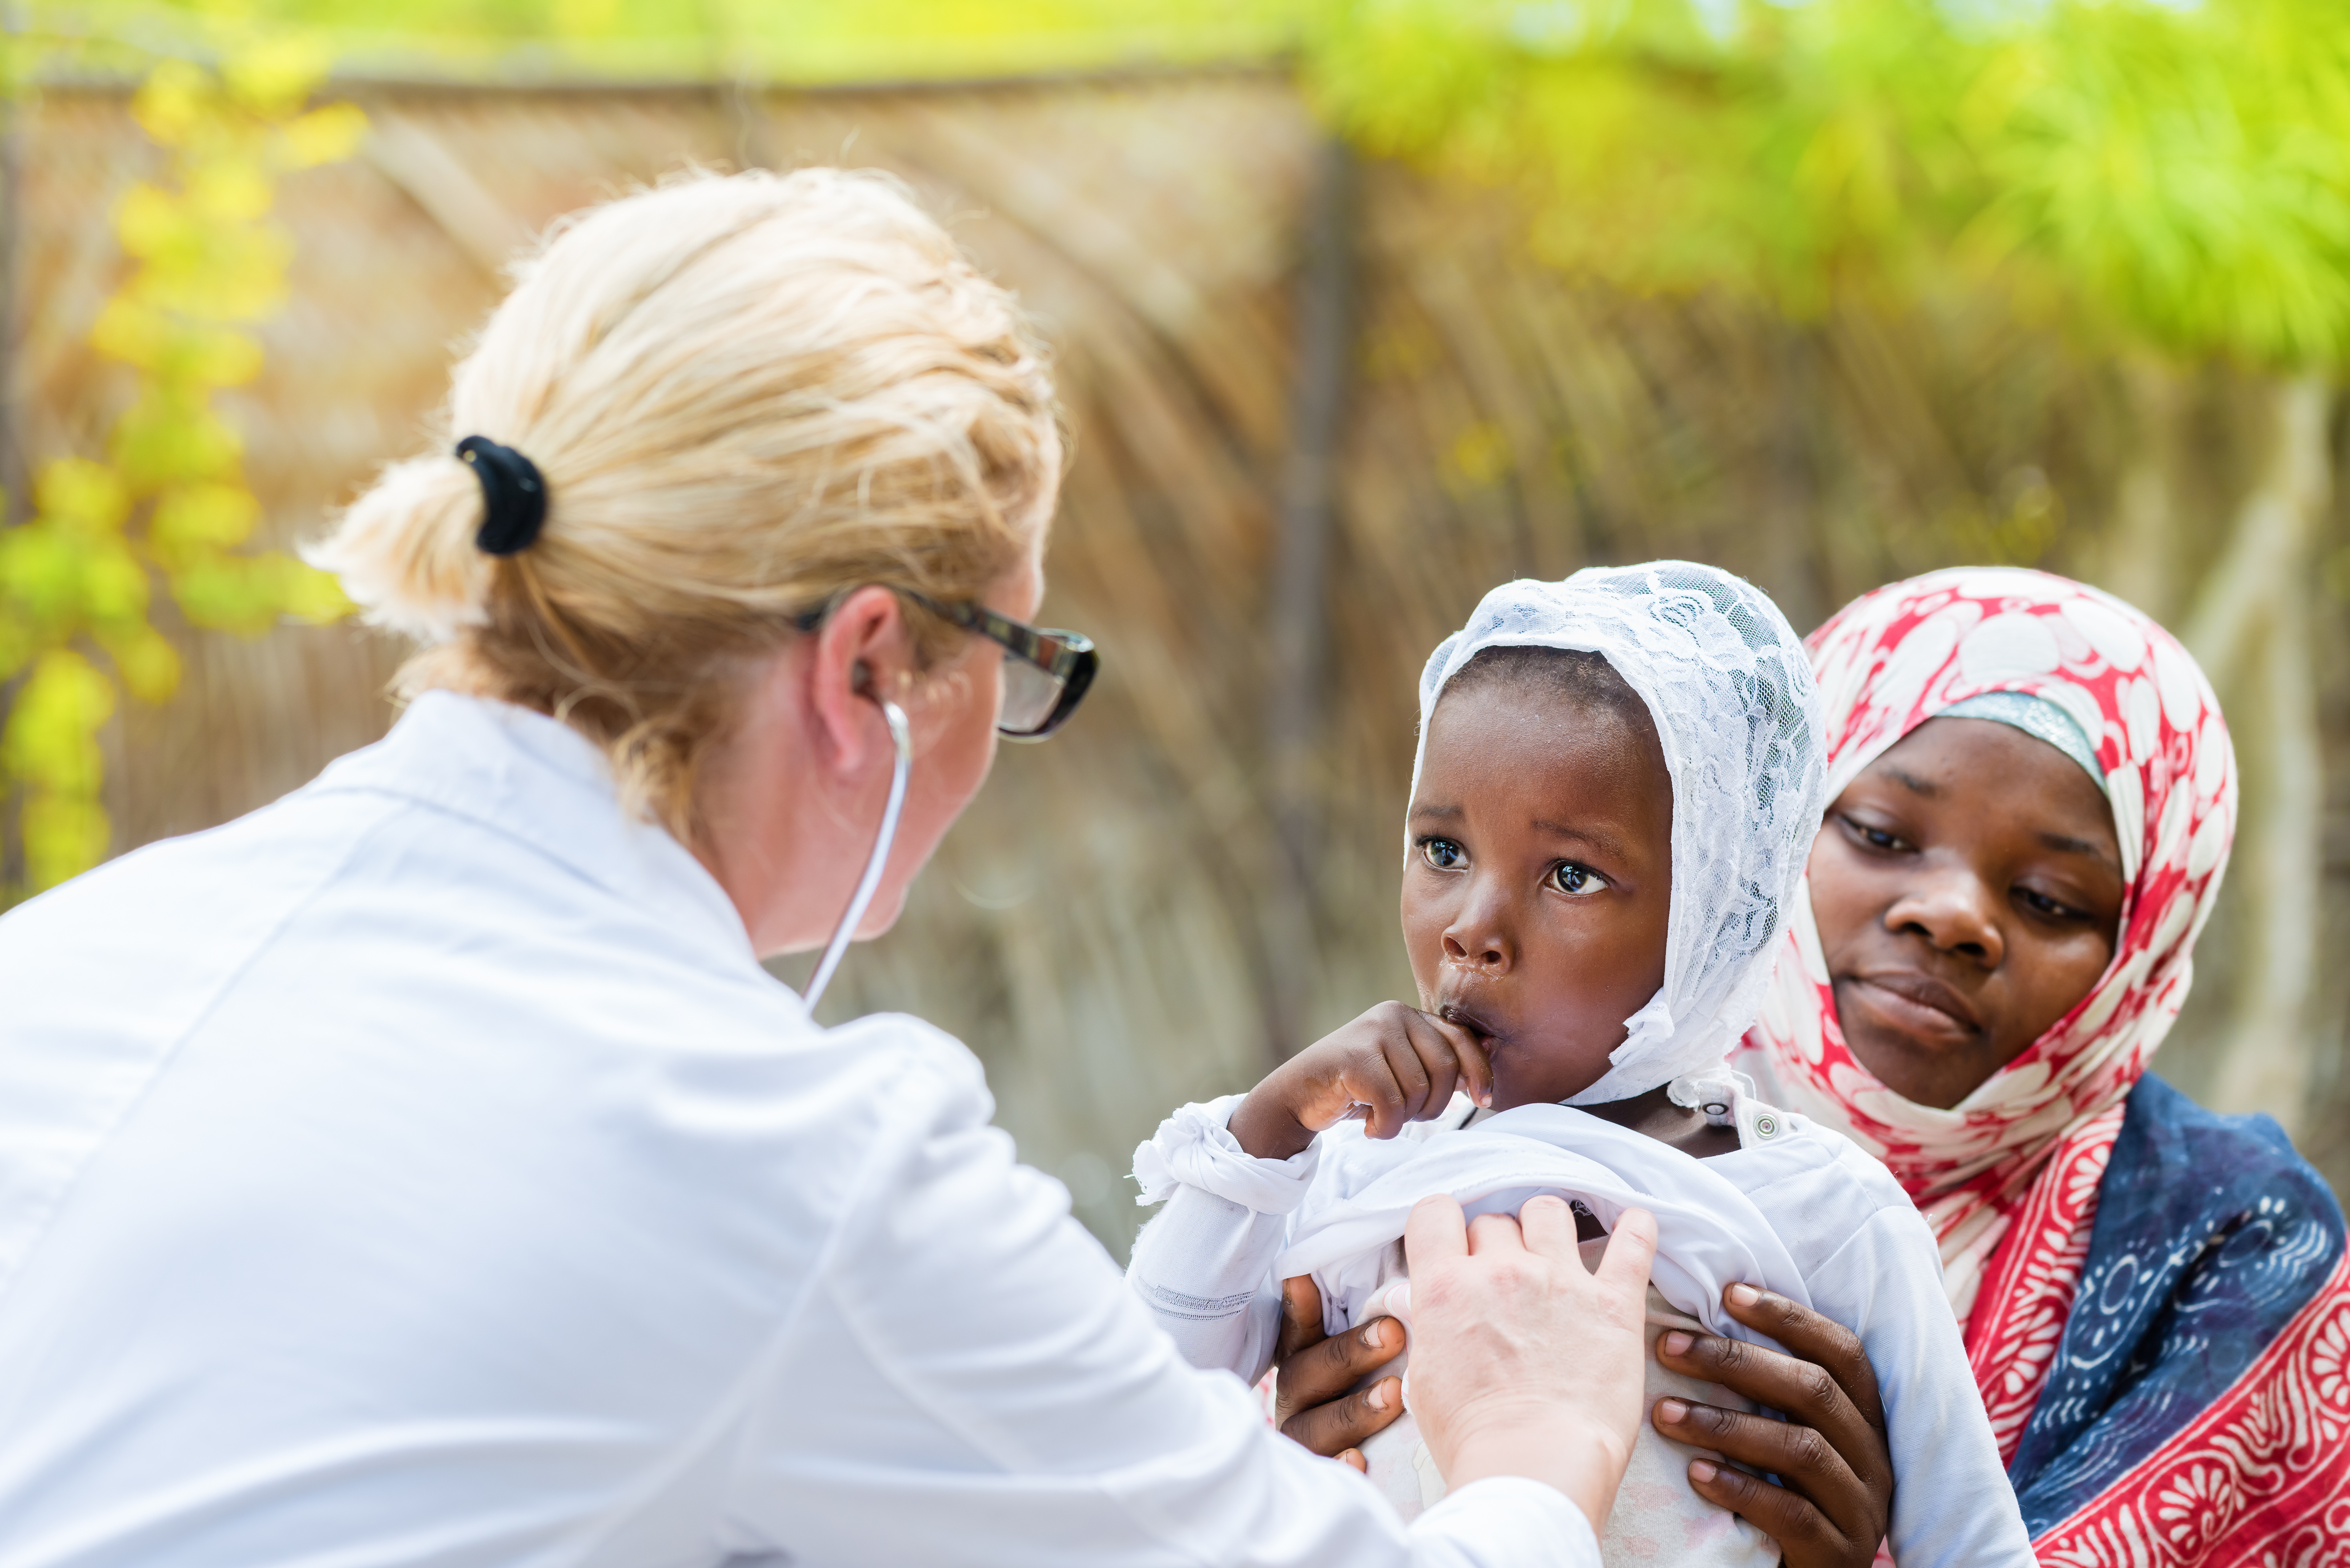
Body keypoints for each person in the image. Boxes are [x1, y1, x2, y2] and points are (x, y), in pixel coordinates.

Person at [0, 168, 1663, 1567]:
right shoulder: (782, 1153)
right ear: (869, 664)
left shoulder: (74, 954)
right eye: (1016, 653)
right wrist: (1528, 1445)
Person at [1125, 565, 2031, 1567]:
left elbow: (1971, 1541)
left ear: (1706, 919)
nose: (1473, 928)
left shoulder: (1817, 1207)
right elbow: (1147, 1396)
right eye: (1440, 849)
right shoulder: (1363, 1164)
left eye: (1571, 874)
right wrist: (1267, 1131)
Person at [1730, 566, 2350, 1564]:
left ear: (2140, 954)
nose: (1952, 915)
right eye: (1881, 834)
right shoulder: (1570, 1113)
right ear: (1772, 823)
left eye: (2051, 899)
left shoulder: (2235, 1242)